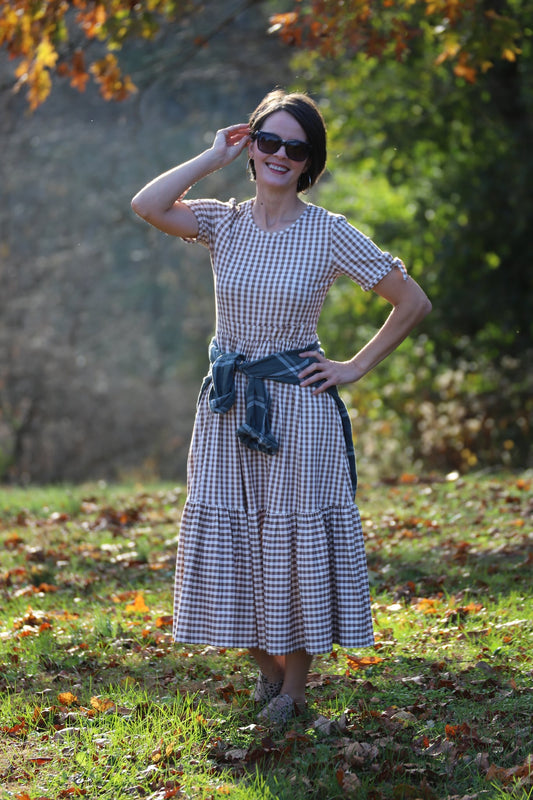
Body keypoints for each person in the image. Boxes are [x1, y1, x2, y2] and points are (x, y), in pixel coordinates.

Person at [131, 89, 431, 725]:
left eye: (296, 148)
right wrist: (211, 157)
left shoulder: (329, 234)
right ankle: (268, 679)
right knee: (237, 537)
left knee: (291, 542)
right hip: (227, 404)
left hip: (299, 409)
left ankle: (294, 691)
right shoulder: (223, 221)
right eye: (269, 141)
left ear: (309, 163)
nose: (280, 155)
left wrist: (353, 366)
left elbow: (412, 303)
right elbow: (148, 205)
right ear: (252, 147)